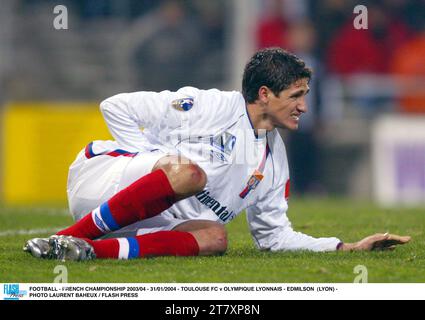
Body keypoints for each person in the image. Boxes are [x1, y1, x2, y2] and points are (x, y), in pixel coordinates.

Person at [24, 48, 410, 261]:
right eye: (295, 96)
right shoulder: (210, 106)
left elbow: (274, 236)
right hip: (103, 183)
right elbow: (116, 107)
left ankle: (87, 251)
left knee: (214, 237)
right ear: (264, 94)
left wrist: (346, 248)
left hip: (141, 221)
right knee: (189, 175)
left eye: (305, 96)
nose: (303, 107)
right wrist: (154, 163)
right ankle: (66, 236)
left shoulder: (273, 159)